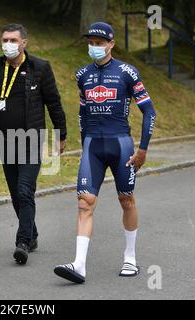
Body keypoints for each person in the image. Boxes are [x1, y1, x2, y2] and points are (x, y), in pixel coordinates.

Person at [54, 22, 157, 284]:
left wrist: (143, 149)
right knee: (84, 203)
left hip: (121, 145)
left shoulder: (127, 72)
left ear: (111, 44)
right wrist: (83, 143)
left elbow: (149, 112)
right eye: (91, 42)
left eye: (100, 43)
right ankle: (78, 265)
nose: (95, 47)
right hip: (92, 147)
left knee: (126, 200)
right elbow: (82, 112)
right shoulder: (82, 75)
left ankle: (130, 257)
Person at [0, 24, 67, 266]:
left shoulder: (39, 68)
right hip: (5, 140)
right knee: (15, 193)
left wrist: (61, 135)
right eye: (5, 39)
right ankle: (33, 234)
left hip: (31, 139)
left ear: (24, 43)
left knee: (24, 189)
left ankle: (22, 243)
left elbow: (54, 103)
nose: (8, 43)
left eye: (13, 39)